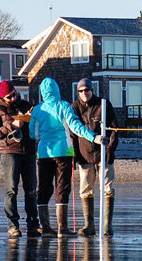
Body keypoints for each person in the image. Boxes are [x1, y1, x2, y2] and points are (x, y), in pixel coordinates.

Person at [29, 77, 108, 238]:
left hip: (43, 153)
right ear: (57, 90)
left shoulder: (37, 110)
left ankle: (46, 228)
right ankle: (62, 228)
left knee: (43, 189)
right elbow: (76, 127)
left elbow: (33, 134)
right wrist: (94, 137)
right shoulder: (64, 106)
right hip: (64, 152)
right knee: (62, 188)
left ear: (42, 93)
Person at [0, 80, 40, 238]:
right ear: (2, 98)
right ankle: (13, 225)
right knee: (11, 189)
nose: (12, 98)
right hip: (10, 152)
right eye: (8, 97)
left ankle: (33, 224)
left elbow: (36, 127)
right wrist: (12, 125)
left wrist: (31, 118)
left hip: (29, 151)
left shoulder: (26, 105)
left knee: (31, 189)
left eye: (13, 94)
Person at [71, 78, 119, 237]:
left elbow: (114, 129)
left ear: (92, 90)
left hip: (104, 154)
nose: (84, 93)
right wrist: (75, 155)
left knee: (107, 187)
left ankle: (107, 225)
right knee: (85, 189)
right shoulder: (75, 107)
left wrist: (110, 151)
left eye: (87, 90)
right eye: (81, 91)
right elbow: (72, 134)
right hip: (84, 155)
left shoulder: (104, 104)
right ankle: (89, 225)